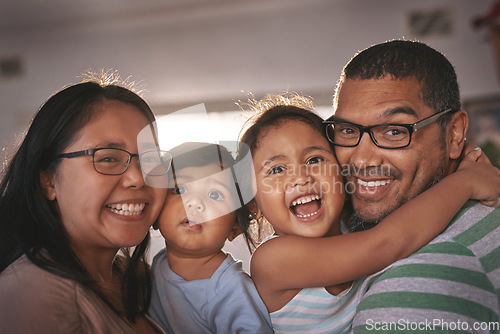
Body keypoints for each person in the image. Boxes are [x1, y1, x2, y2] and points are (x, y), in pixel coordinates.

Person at [236, 93, 500, 333]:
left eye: (315, 160)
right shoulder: (273, 260)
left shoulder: (355, 224)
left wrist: (465, 157)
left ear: (341, 171)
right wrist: (464, 183)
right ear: (253, 205)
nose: (300, 177)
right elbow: (387, 243)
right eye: (276, 170)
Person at [325, 40, 500, 333]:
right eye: (347, 130)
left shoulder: (411, 283)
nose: (361, 159)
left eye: (395, 131)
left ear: (454, 133)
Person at [0, 74, 171, 333]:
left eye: (150, 159)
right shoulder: (34, 294)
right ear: (48, 180)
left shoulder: (136, 278)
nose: (138, 178)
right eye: (107, 158)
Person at [148, 142, 273, 333]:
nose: (195, 202)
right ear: (155, 214)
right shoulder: (158, 265)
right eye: (180, 190)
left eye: (215, 194)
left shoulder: (230, 289)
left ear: (236, 226)